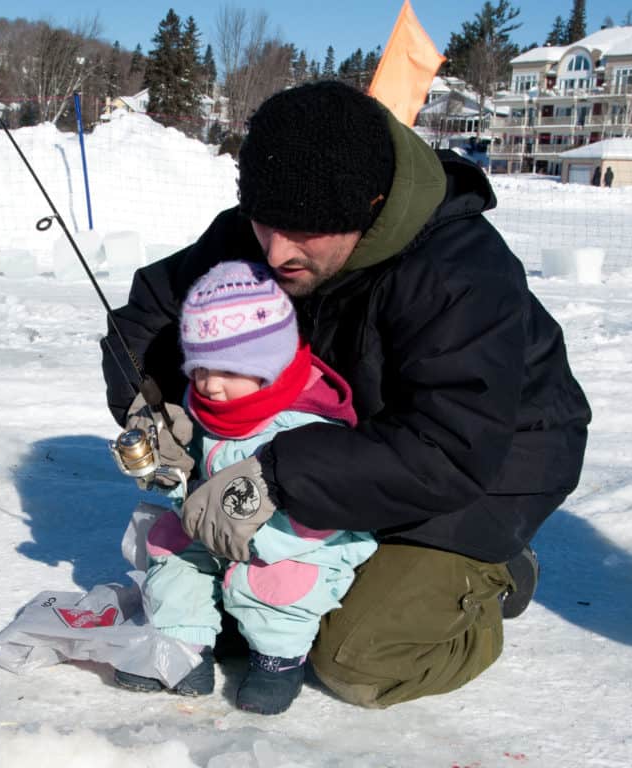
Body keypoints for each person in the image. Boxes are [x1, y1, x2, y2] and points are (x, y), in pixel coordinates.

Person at [101, 81, 591, 709]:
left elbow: (450, 451)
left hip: (484, 470)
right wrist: (151, 401)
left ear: (372, 205)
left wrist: (275, 478)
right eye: (265, 220)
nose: (276, 251)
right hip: (335, 446)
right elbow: (149, 317)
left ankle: (493, 577)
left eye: (305, 229)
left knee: (352, 658)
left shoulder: (459, 274)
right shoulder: (256, 237)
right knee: (229, 621)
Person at [114, 260, 377, 715]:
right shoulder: (208, 407)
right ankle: (184, 649)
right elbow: (196, 473)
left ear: (268, 365)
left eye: (227, 370)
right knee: (173, 553)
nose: (209, 385)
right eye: (198, 369)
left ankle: (279, 660)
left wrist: (246, 532)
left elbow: (324, 514)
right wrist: (171, 463)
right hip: (215, 526)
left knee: (271, 580)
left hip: (292, 541)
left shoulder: (305, 425)